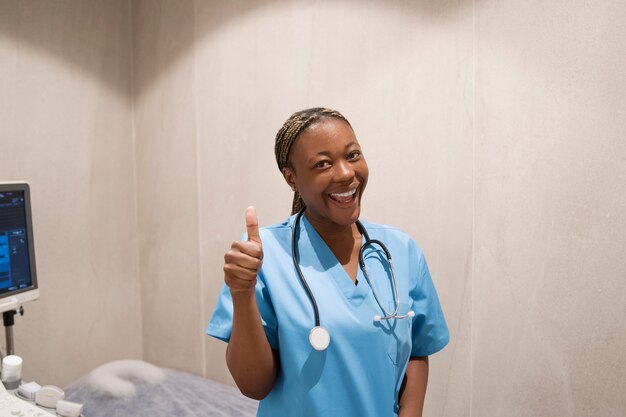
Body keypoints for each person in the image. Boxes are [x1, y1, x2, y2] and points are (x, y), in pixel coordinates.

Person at [206, 108, 449, 417]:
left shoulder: (400, 250)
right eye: (322, 164)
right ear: (291, 178)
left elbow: (417, 349)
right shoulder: (264, 255)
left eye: (352, 155)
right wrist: (242, 293)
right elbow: (254, 385)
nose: (346, 173)